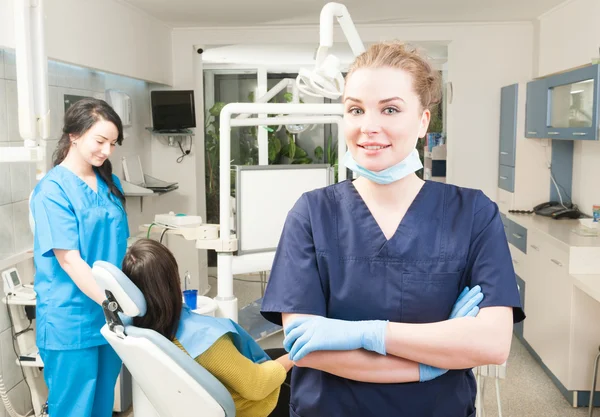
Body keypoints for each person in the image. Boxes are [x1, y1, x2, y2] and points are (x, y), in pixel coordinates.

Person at [260, 42, 525, 417]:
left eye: (390, 109)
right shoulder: (312, 213)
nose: (369, 127)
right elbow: (310, 348)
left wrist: (366, 333)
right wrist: (431, 361)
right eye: (355, 109)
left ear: (423, 121)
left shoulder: (473, 214)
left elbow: (493, 344)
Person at [30, 98, 129, 417]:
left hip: (108, 316)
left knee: (101, 405)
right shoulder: (52, 190)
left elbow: (118, 246)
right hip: (70, 318)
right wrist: (111, 304)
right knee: (73, 408)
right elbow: (69, 259)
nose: (107, 151)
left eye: (113, 143)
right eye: (100, 141)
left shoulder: (109, 183)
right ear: (74, 135)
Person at [121, 238, 294, 417]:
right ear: (173, 281)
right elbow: (257, 385)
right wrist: (294, 357)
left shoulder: (142, 330)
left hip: (215, 392)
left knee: (276, 353)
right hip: (255, 408)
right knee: (302, 363)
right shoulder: (204, 341)